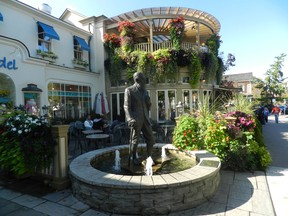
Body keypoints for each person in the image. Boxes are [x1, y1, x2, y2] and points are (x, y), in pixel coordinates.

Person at [124, 72, 155, 165]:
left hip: (145, 118)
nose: (145, 82)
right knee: (135, 140)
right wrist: (129, 119)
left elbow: (148, 106)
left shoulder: (145, 91)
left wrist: (148, 102)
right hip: (136, 119)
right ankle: (133, 157)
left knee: (151, 139)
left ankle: (149, 157)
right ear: (137, 80)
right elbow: (126, 106)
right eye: (143, 80)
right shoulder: (129, 90)